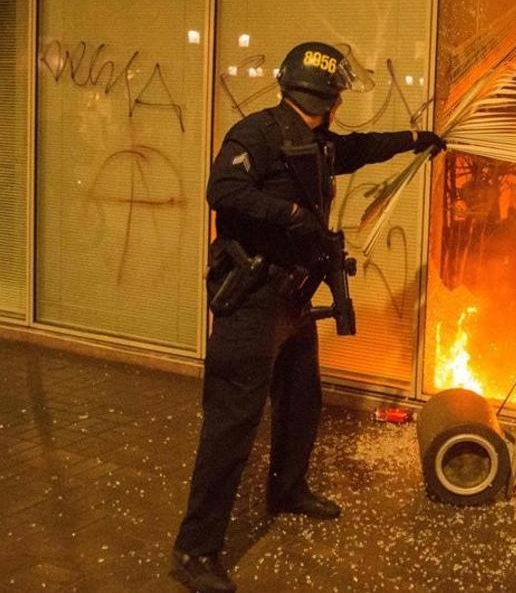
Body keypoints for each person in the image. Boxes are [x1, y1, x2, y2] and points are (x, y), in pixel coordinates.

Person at [172, 41, 443, 593]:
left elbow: (361, 149)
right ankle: (195, 551)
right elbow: (221, 190)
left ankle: (288, 490)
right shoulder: (260, 133)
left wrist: (417, 140)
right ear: (329, 97)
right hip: (252, 302)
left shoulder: (314, 141)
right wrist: (291, 215)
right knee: (231, 425)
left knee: (301, 402)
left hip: (293, 300)